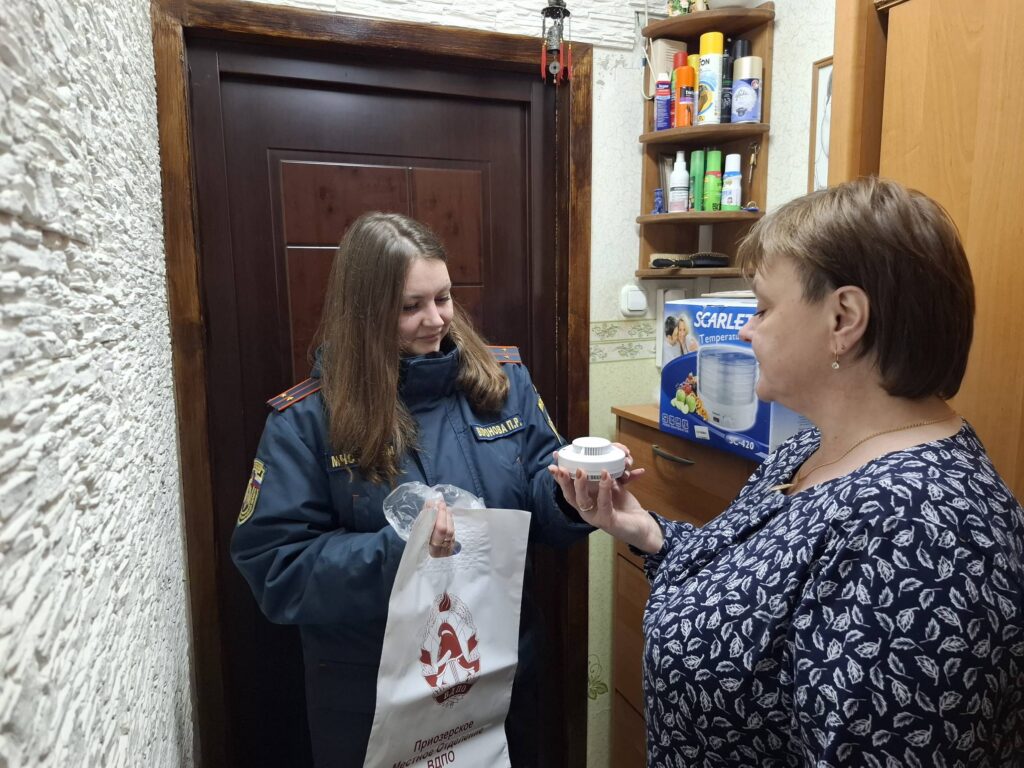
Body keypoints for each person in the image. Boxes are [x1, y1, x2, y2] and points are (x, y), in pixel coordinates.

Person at [551, 177, 1024, 766]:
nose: (745, 329)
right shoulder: (809, 449)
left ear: (843, 318)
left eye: (763, 308)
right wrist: (645, 529)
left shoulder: (925, 536)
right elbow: (750, 583)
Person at [231, 212, 595, 768]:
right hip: (375, 695)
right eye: (410, 307)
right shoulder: (306, 421)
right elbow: (276, 568)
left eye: (443, 298)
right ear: (364, 313)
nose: (436, 319)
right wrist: (398, 554)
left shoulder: (501, 382)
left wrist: (574, 497)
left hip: (496, 674)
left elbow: (538, 491)